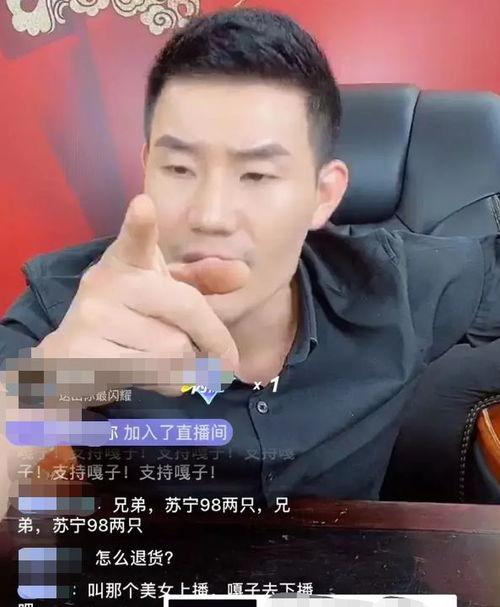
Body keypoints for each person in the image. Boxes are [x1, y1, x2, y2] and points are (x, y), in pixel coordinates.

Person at [1, 7, 499, 519]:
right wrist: (42, 389)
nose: (210, 216)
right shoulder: (73, 303)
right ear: (147, 169)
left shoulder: (396, 283)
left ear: (323, 196)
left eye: (257, 175)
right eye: (179, 168)